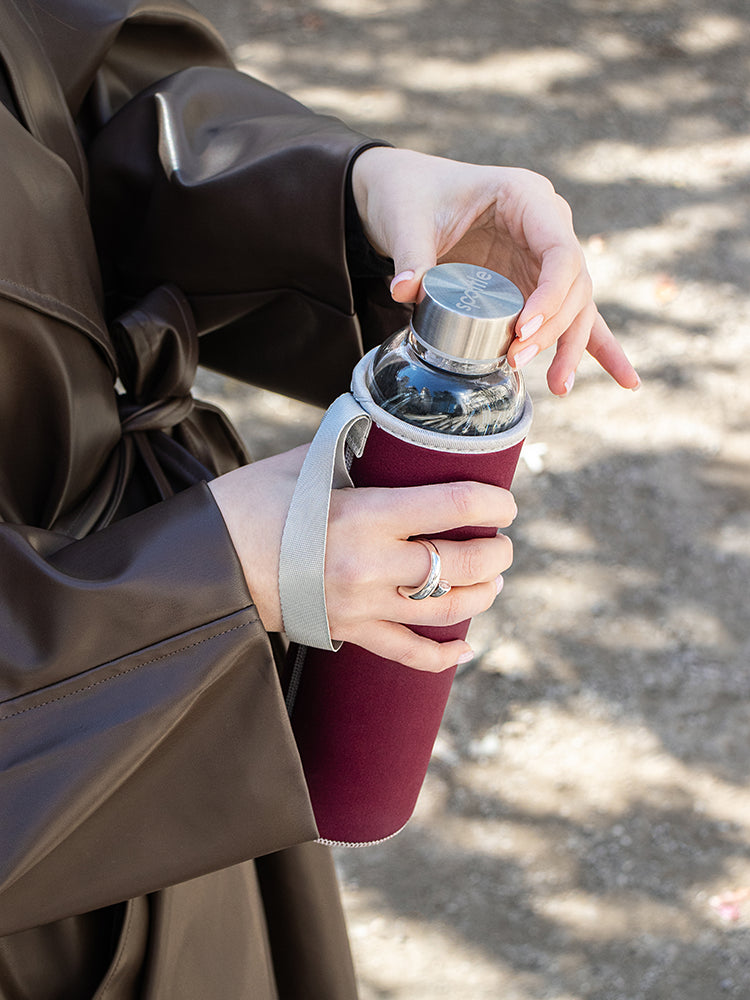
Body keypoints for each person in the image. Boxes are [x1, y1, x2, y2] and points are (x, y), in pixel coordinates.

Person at [0, 0, 640, 997]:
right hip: (54, 818)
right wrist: (204, 582)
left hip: (171, 713)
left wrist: (352, 191)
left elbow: (74, 98)